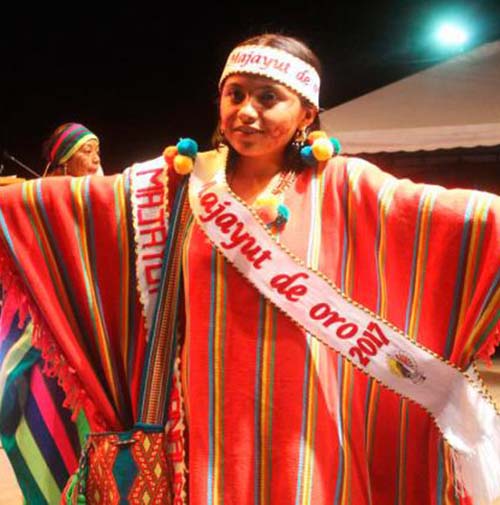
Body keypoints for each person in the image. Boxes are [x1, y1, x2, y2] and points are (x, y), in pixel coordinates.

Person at [0, 34, 498, 505]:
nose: (246, 111)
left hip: (307, 413)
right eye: (234, 95)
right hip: (207, 414)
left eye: (267, 98)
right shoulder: (181, 182)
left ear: (306, 113)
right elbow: (78, 206)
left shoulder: (343, 185)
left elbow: (450, 217)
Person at [0, 122, 103, 504]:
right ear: (62, 159)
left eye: (97, 149)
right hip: (45, 335)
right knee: (50, 427)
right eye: (86, 150)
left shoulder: (98, 198)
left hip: (87, 337)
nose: (96, 158)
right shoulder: (36, 201)